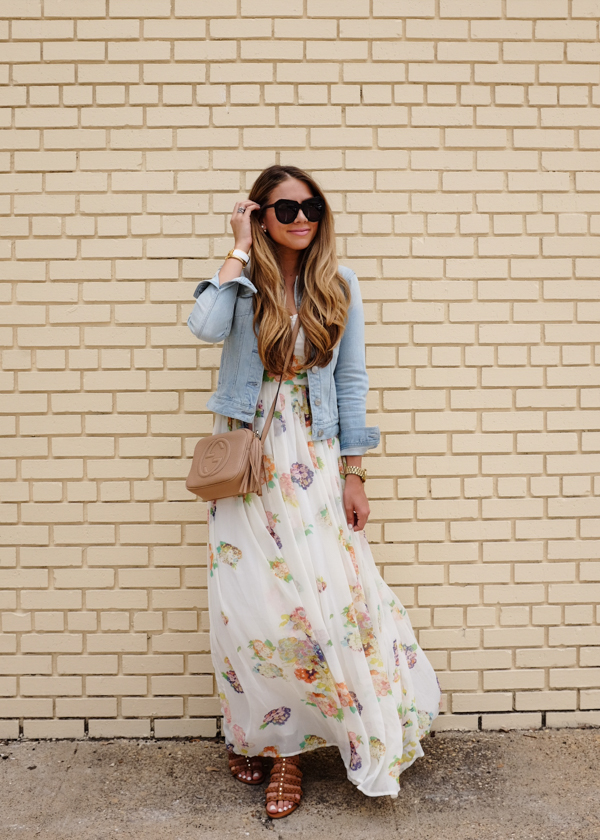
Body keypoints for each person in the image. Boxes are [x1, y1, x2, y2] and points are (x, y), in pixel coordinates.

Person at [187, 164, 441, 819]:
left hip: (315, 459)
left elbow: (351, 382)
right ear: (263, 216)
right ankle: (274, 746)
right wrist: (238, 245)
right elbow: (204, 327)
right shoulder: (241, 286)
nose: (302, 219)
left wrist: (355, 472)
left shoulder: (340, 284)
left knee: (323, 600)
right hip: (250, 464)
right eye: (286, 208)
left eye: (312, 208)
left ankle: (307, 742)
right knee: (252, 607)